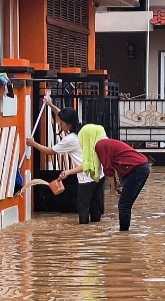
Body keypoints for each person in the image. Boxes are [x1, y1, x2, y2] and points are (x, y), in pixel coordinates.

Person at [25, 96, 105, 224]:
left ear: (69, 124)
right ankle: (95, 234)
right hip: (99, 174)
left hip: (86, 177)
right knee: (96, 206)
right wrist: (50, 105)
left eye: (61, 123)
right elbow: (63, 117)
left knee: (82, 208)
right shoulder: (83, 129)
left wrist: (33, 143)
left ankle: (84, 233)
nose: (59, 125)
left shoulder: (71, 139)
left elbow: (50, 151)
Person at [94, 137, 151, 232]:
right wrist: (118, 182)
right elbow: (118, 163)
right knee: (126, 204)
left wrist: (113, 188)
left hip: (136, 169)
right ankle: (125, 234)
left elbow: (109, 170)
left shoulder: (100, 146)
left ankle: (123, 234)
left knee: (123, 205)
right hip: (142, 166)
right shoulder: (108, 143)